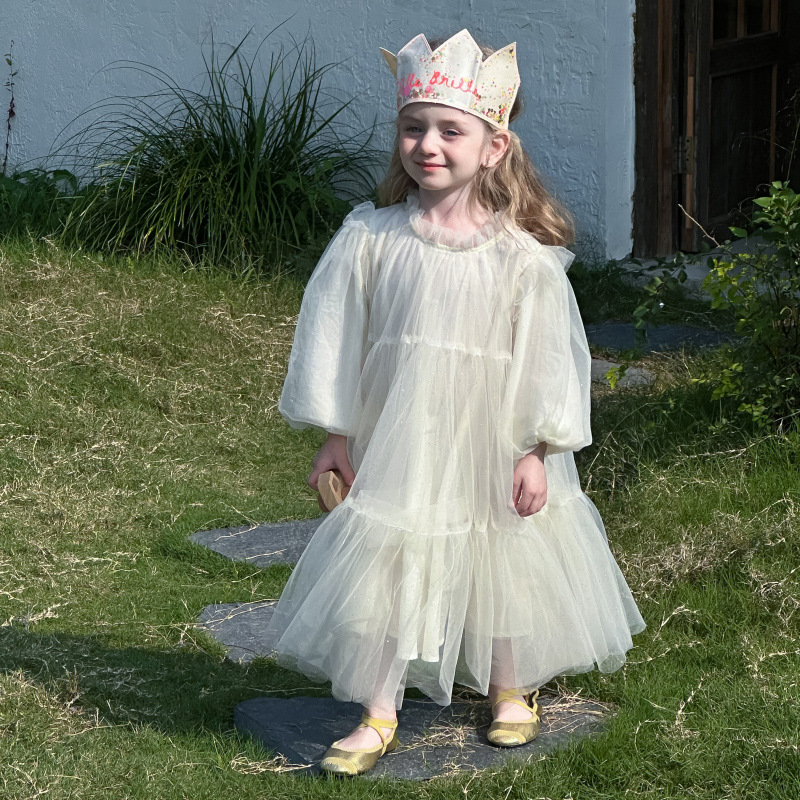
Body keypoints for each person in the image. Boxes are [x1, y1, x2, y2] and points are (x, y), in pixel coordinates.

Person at [268, 28, 646, 776]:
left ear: (493, 147)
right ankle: (378, 708)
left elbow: (547, 359)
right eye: (414, 128)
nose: (428, 145)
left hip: (494, 438)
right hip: (399, 435)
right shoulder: (370, 237)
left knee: (503, 551)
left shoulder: (522, 257)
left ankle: (510, 686)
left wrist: (538, 448)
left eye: (450, 130)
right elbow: (334, 339)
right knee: (389, 558)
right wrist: (336, 433)